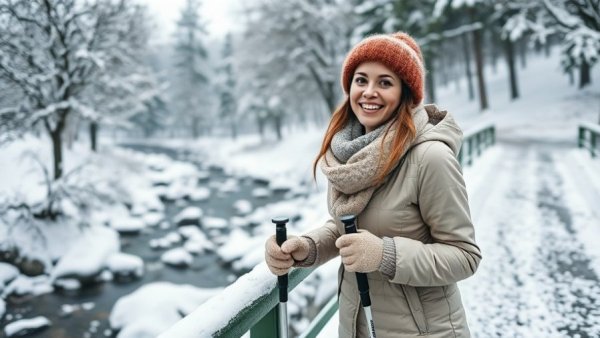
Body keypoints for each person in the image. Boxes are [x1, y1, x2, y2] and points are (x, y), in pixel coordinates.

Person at [264, 32, 481, 338]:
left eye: (385, 82)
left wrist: (384, 254)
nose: (369, 92)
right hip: (357, 326)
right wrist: (307, 247)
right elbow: (351, 225)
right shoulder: (348, 156)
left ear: (405, 93)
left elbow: (465, 256)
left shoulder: (430, 158)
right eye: (361, 80)